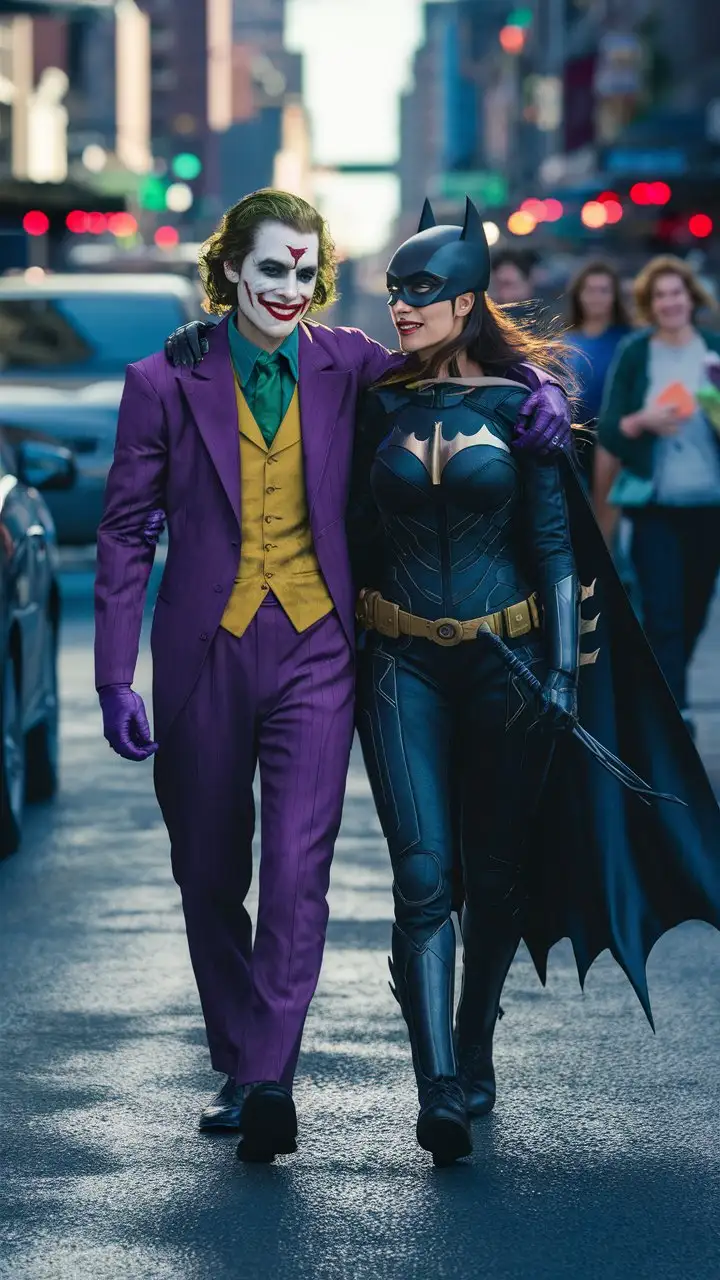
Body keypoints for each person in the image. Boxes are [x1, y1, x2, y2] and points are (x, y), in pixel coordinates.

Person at [99, 188, 566, 1165]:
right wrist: (113, 673)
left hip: (320, 648)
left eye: (305, 270)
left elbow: (450, 367)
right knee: (208, 869)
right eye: (270, 267)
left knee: (303, 872)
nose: (288, 287)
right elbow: (128, 526)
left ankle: (274, 1075)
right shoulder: (165, 376)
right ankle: (242, 1052)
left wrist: (541, 391)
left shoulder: (347, 362)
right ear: (229, 267)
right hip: (207, 650)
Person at [345, 204, 720, 1165]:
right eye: (395, 293)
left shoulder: (523, 407)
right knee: (424, 875)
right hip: (398, 663)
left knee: (494, 878)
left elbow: (554, 545)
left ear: (467, 301)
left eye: (420, 293)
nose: (401, 309)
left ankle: (474, 1049)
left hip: (509, 662)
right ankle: (437, 1090)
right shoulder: (377, 400)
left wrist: (560, 669)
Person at [597, 255, 720, 733]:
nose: (671, 302)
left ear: (692, 298)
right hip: (653, 506)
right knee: (663, 610)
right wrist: (643, 421)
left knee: (693, 609)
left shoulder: (712, 350)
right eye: (662, 294)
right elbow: (611, 428)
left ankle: (667, 689)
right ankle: (676, 714)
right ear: (651, 304)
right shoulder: (636, 352)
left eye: (678, 292)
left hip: (709, 505)